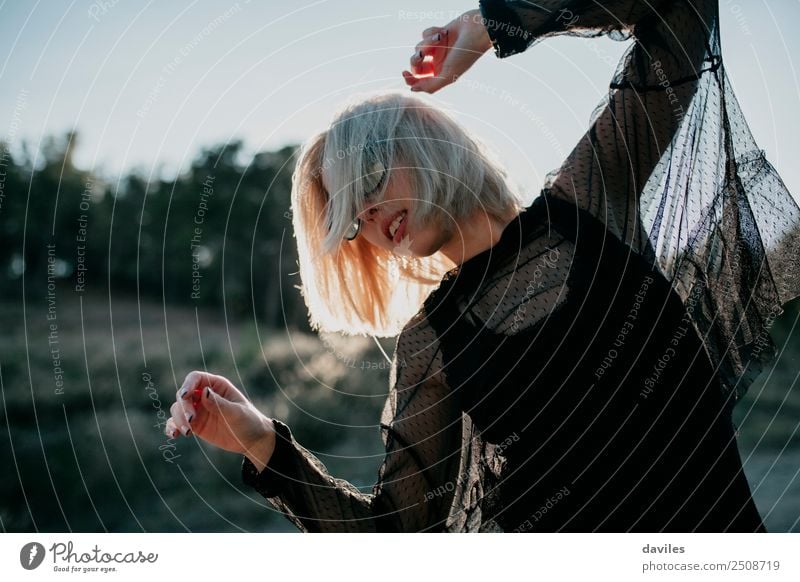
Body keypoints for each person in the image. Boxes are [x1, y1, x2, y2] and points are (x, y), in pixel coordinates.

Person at [166, 0, 800, 532]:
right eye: (356, 220)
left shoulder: (589, 201)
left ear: (423, 137)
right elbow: (398, 538)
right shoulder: (432, 344)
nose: (374, 218)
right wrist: (262, 445)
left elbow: (680, 12)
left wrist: (498, 21)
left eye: (373, 180)